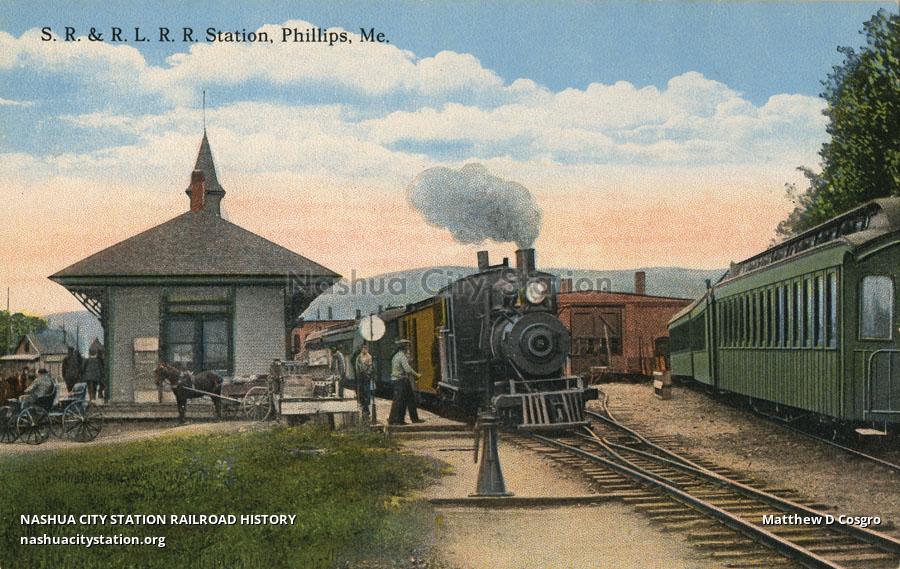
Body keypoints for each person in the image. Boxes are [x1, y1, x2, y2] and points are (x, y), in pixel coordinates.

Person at [388, 339, 424, 425]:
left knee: (399, 400)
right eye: (407, 346)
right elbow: (407, 369)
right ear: (404, 347)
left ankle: (396, 420)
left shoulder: (396, 356)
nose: (409, 348)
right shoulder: (402, 356)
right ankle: (405, 420)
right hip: (401, 380)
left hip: (397, 380)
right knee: (406, 400)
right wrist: (417, 375)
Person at [354, 344, 375, 422]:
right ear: (361, 349)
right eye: (363, 348)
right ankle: (363, 409)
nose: (364, 350)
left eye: (366, 348)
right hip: (360, 377)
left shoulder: (369, 357)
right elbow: (356, 367)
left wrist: (368, 374)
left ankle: (366, 410)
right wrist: (358, 374)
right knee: (361, 393)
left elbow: (370, 367)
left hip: (366, 377)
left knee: (366, 393)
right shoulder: (358, 357)